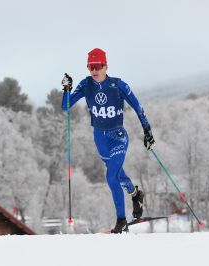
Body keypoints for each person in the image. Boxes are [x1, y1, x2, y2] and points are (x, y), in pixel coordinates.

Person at [61, 48, 155, 233]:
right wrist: (66, 89)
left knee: (111, 176)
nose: (95, 70)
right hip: (100, 139)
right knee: (117, 174)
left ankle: (121, 221)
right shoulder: (86, 84)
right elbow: (66, 105)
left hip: (118, 137)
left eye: (98, 66)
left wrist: (147, 130)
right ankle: (135, 195)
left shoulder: (118, 85)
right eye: (91, 67)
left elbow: (138, 107)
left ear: (106, 66)